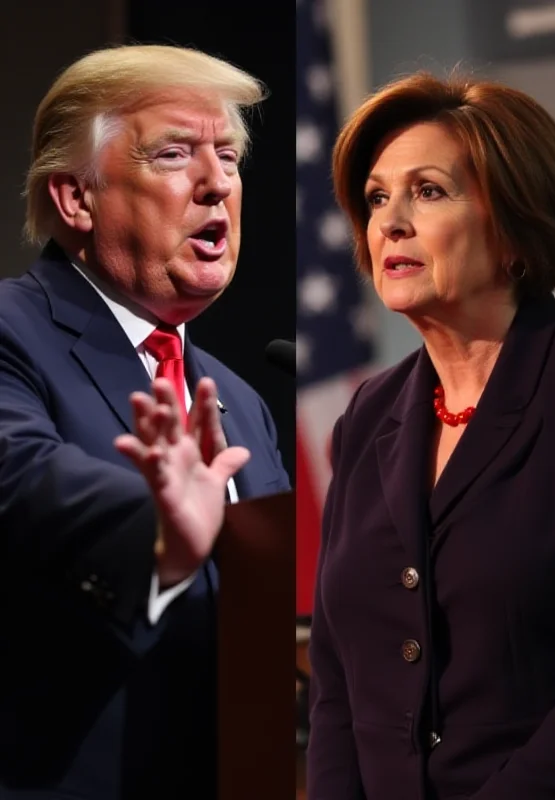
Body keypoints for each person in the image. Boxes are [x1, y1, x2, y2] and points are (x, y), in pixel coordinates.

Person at [0, 44, 290, 799]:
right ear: (76, 199)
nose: (217, 183)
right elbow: (26, 478)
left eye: (227, 155)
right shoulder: (11, 333)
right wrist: (160, 537)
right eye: (174, 154)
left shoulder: (240, 401)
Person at [306, 69, 555, 800]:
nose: (389, 222)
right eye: (376, 198)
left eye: (428, 191)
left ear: (513, 222)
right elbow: (339, 681)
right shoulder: (368, 417)